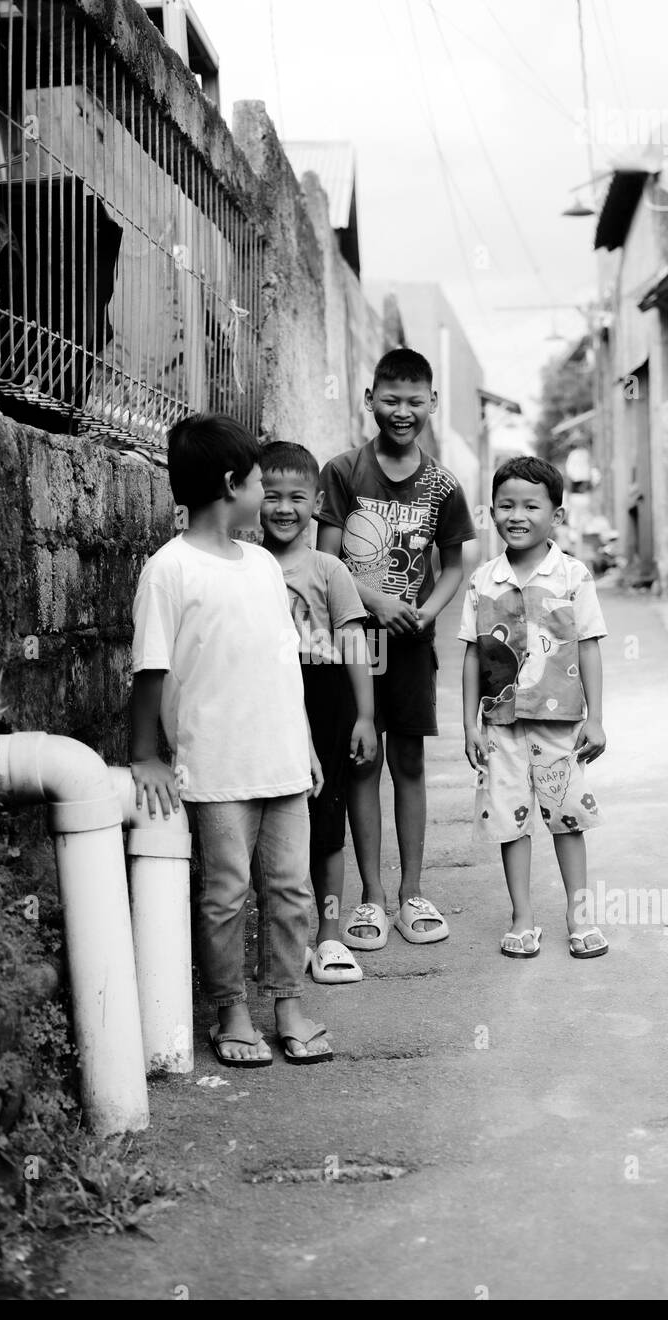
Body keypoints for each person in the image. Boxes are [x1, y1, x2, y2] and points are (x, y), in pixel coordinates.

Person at [130, 413, 332, 1066]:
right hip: (216, 770)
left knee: (292, 890)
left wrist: (304, 744)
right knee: (224, 894)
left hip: (282, 761)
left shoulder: (263, 568)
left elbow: (284, 665)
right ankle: (231, 1012)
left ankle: (289, 1004)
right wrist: (145, 754)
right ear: (229, 485)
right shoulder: (169, 569)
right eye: (255, 480)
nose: (265, 493)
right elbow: (150, 669)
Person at [317, 348, 475, 949]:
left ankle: (411, 892)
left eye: (414, 402)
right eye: (391, 400)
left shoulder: (443, 484)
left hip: (411, 647)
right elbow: (326, 561)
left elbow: (455, 565)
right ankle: (372, 899)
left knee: (408, 763)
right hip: (356, 644)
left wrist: (427, 613)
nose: (402, 412)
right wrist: (376, 602)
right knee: (364, 760)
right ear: (369, 400)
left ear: (432, 403)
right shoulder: (343, 472)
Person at [460, 455, 609, 960]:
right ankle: (523, 918)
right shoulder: (483, 580)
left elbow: (588, 644)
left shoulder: (572, 575)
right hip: (500, 725)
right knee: (510, 820)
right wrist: (467, 722)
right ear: (492, 512)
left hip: (560, 725)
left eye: (530, 505)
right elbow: (472, 654)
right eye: (505, 505)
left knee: (567, 818)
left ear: (557, 516)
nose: (516, 515)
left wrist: (597, 717)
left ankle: (578, 914)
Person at [259, 441, 376, 984]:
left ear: (318, 501)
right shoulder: (248, 567)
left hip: (326, 694)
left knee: (328, 819)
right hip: (268, 694)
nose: (284, 508)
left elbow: (354, 643)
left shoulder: (329, 569)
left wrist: (364, 717)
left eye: (297, 497)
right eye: (271, 495)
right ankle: (287, 938)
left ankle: (328, 938)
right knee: (278, 818)